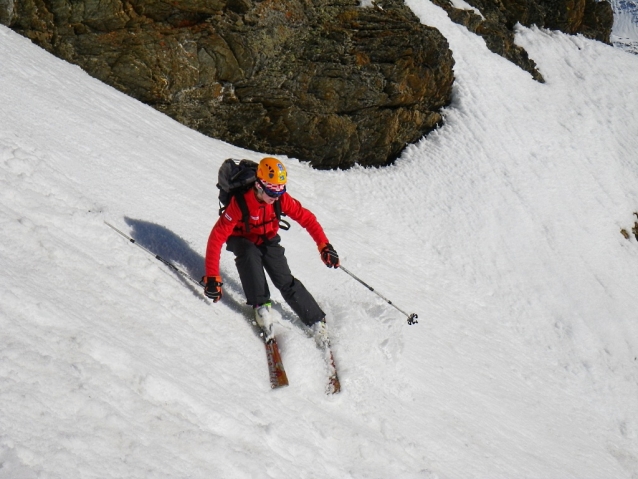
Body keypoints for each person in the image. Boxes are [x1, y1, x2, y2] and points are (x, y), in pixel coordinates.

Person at [203, 157, 340, 344]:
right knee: (250, 255)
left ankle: (315, 319)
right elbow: (217, 235)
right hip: (242, 238)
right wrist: (213, 277)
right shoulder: (240, 202)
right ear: (259, 186)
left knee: (284, 279)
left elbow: (307, 218)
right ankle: (261, 306)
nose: (276, 196)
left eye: (280, 190)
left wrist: (324, 246)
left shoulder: (280, 199)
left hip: (268, 238)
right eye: (271, 191)